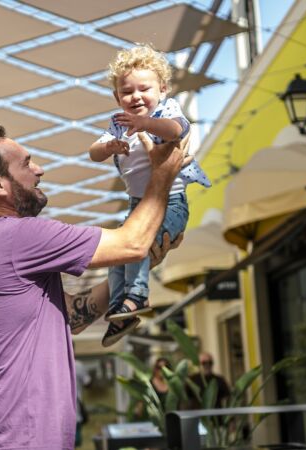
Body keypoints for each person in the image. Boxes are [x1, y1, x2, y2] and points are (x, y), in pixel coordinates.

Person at [0, 123, 188, 448]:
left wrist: (127, 273)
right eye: (26, 163)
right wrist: (162, 175)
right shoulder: (18, 236)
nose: (39, 170)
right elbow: (132, 242)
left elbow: (74, 315)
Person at [88, 44, 211, 347]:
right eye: (127, 91)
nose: (136, 97)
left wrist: (146, 124)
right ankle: (120, 309)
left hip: (171, 203)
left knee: (137, 244)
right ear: (117, 97)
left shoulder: (166, 111)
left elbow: (176, 130)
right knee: (118, 254)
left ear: (163, 89)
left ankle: (138, 295)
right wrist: (109, 147)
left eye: (144, 89)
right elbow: (93, 152)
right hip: (136, 205)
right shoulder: (119, 123)